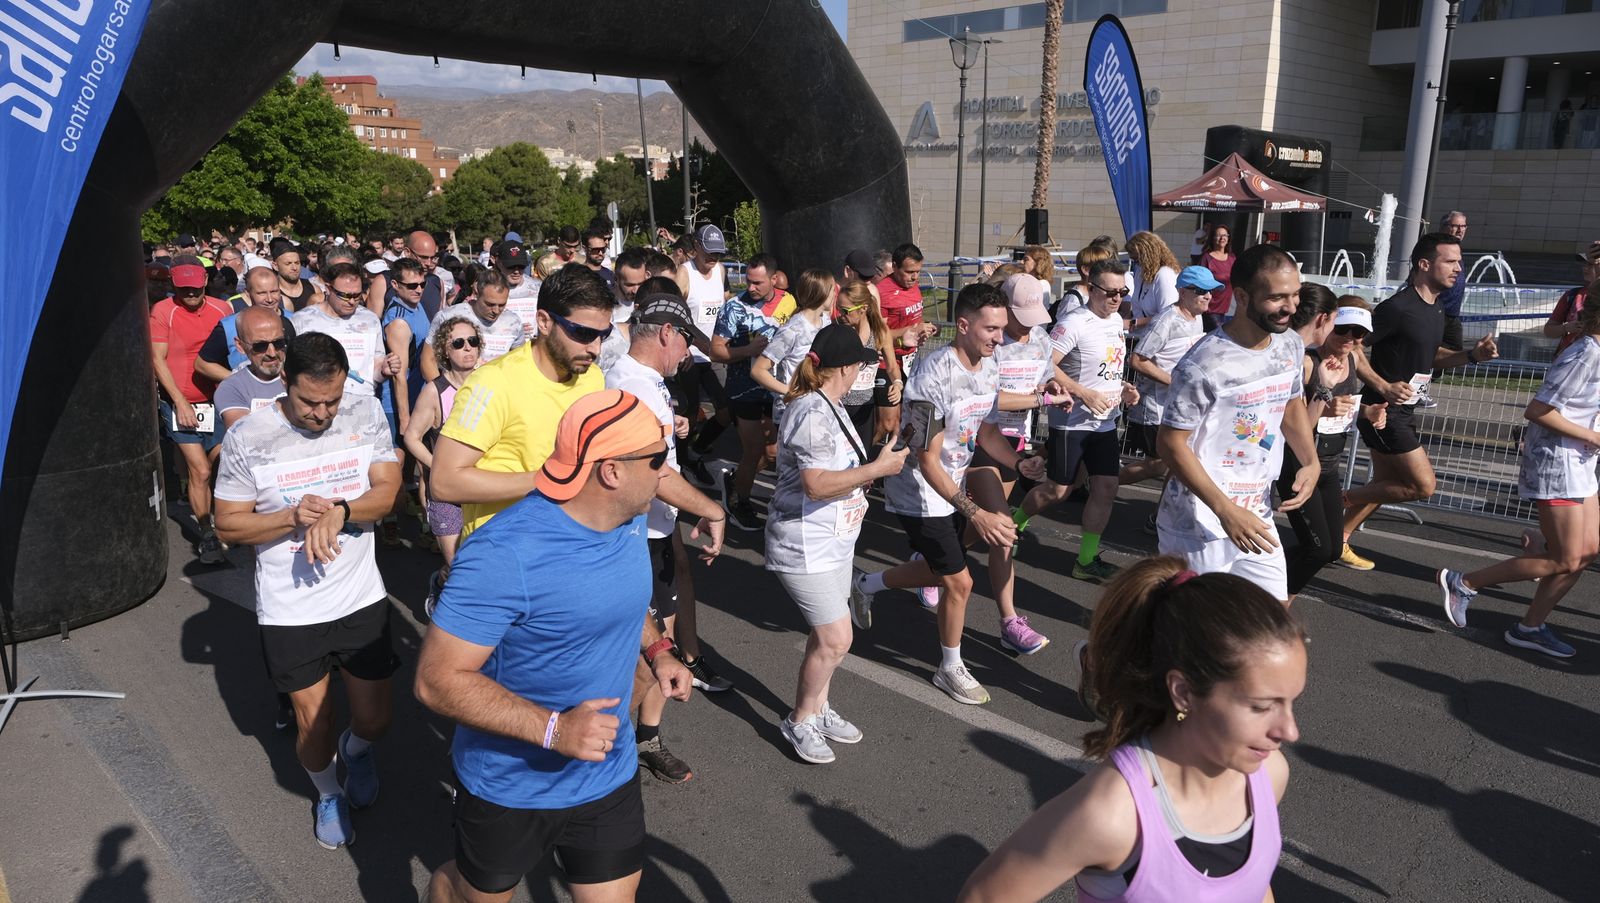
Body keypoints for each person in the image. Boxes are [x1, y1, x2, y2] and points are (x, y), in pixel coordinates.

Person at [416, 390, 694, 903]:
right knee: (468, 894)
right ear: (611, 471)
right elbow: (437, 681)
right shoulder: (504, 553)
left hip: (606, 771)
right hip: (511, 784)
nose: (666, 471)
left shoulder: (629, 518)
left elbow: (623, 597)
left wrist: (658, 650)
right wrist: (555, 729)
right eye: (657, 459)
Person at [958, 557, 1305, 903]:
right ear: (1183, 692)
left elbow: (1255, 886)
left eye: (1291, 701)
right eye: (1261, 706)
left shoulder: (1268, 775)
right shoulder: (1112, 814)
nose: (1289, 732)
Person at [213, 333, 403, 851]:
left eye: (332, 401)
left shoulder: (364, 411)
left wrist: (341, 510)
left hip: (360, 597)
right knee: (315, 727)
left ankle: (357, 752)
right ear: (285, 382)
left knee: (375, 720)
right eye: (309, 402)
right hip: (291, 609)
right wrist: (291, 517)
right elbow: (227, 524)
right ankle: (327, 792)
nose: (322, 414)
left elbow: (388, 492)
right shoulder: (248, 436)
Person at [854, 283, 1048, 706]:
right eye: (991, 329)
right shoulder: (932, 378)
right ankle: (950, 667)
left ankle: (867, 583)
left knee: (943, 569)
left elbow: (988, 433)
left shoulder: (989, 367)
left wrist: (1018, 464)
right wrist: (976, 512)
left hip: (953, 482)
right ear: (962, 325)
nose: (1000, 338)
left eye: (1002, 328)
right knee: (959, 581)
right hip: (919, 492)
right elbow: (927, 461)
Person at [768, 324, 910, 763]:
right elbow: (815, 485)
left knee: (826, 635)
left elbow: (836, 470)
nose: (864, 374)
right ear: (846, 368)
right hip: (804, 543)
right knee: (836, 638)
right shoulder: (812, 411)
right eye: (862, 367)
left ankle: (818, 708)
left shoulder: (831, 404)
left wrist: (873, 465)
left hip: (833, 540)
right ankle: (799, 720)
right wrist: (876, 471)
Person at [604, 293, 731, 781]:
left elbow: (658, 455)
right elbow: (652, 473)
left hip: (657, 528)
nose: (688, 354)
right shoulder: (629, 385)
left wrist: (671, 425)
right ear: (665, 334)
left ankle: (647, 738)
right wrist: (709, 508)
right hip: (633, 534)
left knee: (666, 644)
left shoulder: (647, 381)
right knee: (643, 658)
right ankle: (597, 745)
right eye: (686, 342)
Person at [1437, 289, 1600, 658]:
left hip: (1582, 462)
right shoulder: (1585, 353)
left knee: (1587, 552)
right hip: (1557, 462)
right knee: (1567, 558)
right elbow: (1538, 411)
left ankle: (1530, 627)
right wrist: (1592, 436)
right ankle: (1464, 583)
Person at [1155, 244, 1319, 604]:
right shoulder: (1202, 364)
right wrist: (1225, 510)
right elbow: (1169, 443)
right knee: (1195, 626)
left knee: (1270, 620)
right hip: (1198, 524)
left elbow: (1291, 403)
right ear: (1242, 297)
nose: (1291, 307)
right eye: (1276, 298)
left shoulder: (1290, 345)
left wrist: (1310, 460)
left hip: (1256, 512)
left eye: (1294, 295)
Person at [1340, 233, 1499, 570]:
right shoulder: (1397, 308)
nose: (1459, 268)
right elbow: (1351, 346)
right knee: (1422, 486)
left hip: (1406, 409)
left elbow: (1432, 356)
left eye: (1459, 262)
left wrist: (1471, 355)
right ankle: (1340, 499)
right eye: (1450, 261)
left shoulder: (1436, 307)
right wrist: (1383, 385)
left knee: (1387, 485)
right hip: (1383, 411)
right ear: (1424, 264)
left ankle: (1338, 538)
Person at [1015, 260, 1140, 584]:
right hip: (1072, 421)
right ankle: (1015, 524)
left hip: (1105, 422)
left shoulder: (1116, 320)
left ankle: (1085, 560)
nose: (1117, 298)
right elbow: (1047, 365)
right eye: (1110, 292)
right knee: (1058, 491)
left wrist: (1123, 388)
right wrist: (1083, 393)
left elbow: (1106, 368)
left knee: (1107, 486)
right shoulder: (1074, 322)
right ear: (1092, 289)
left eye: (1123, 291)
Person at [963, 274, 1066, 654]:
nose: (1026, 325)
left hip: (1015, 441)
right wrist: (1042, 401)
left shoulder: (1039, 337)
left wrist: (1052, 387)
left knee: (985, 527)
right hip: (980, 439)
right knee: (1004, 527)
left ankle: (934, 562)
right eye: (1020, 317)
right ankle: (1009, 622)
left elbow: (1046, 376)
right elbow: (992, 400)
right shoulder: (988, 343)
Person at [1278, 291, 1379, 602]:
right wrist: (1324, 402)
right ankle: (1275, 604)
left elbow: (1346, 407)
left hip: (1330, 466)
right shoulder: (1309, 363)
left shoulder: (1353, 359)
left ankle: (1261, 577)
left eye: (1359, 333)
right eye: (1343, 329)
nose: (1350, 338)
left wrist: (1367, 412)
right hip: (1299, 465)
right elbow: (1296, 426)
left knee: (1332, 550)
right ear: (1330, 324)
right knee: (1318, 549)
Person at [152, 255, 232, 564]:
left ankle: (224, 521)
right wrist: (180, 401)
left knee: (222, 466)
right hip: (180, 402)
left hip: (218, 401)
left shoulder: (222, 308)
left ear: (206, 282)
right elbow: (158, 359)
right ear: (173, 285)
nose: (190, 293)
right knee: (200, 470)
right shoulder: (163, 311)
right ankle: (207, 532)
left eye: (196, 287)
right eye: (183, 287)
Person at [401, 317, 482, 612]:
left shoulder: (490, 384)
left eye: (473, 341)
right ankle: (441, 586)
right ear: (444, 351)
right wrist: (438, 466)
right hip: (446, 494)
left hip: (483, 489)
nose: (467, 348)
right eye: (458, 343)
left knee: (480, 566)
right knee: (460, 567)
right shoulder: (434, 391)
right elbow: (412, 437)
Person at [710, 253, 794, 531]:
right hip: (743, 389)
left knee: (771, 453)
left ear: (774, 279)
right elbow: (716, 351)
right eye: (748, 281)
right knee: (754, 449)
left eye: (758, 282)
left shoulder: (788, 302)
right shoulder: (734, 308)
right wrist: (748, 350)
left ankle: (735, 480)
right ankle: (739, 501)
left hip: (774, 388)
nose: (751, 287)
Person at [1124, 265, 1214, 503]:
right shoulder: (1166, 320)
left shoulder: (1197, 317)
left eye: (1211, 291)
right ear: (1182, 292)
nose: (1208, 296)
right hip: (1155, 407)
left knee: (1177, 463)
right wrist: (1174, 382)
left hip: (1179, 407)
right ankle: (1102, 482)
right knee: (1159, 465)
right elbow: (1137, 360)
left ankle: (1160, 514)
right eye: (1201, 291)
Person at [678, 224, 734, 487]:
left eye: (719, 253)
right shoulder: (684, 273)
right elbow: (674, 314)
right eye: (709, 252)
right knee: (689, 413)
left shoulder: (720, 271)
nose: (714, 257)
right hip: (688, 355)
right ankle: (683, 460)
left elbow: (724, 305)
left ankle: (698, 447)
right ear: (696, 247)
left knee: (726, 411)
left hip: (715, 355)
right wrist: (683, 346)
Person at [753, 268, 836, 426]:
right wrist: (791, 391)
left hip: (816, 407)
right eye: (832, 290)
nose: (834, 294)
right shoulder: (792, 330)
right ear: (823, 292)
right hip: (791, 412)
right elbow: (758, 370)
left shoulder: (825, 321)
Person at [875, 243, 939, 441]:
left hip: (910, 362)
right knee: (887, 424)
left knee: (902, 423)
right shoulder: (882, 292)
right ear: (894, 267)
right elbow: (878, 335)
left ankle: (890, 459)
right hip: (886, 363)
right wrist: (905, 336)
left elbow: (915, 319)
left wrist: (925, 329)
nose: (914, 277)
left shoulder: (914, 286)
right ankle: (858, 455)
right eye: (909, 272)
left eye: (918, 272)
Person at [194, 267, 296, 383]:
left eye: (274, 292)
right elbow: (202, 364)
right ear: (247, 293)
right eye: (261, 293)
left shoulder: (294, 320)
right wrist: (241, 382)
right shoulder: (230, 325)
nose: (269, 299)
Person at [835, 281, 901, 449]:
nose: (840, 315)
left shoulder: (879, 332)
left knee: (862, 455)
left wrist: (897, 383)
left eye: (845, 311)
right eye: (838, 308)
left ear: (863, 309)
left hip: (864, 407)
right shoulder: (837, 330)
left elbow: (892, 367)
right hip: (838, 405)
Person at [425, 268, 527, 374]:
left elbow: (519, 362)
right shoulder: (447, 316)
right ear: (477, 292)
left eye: (502, 305)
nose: (496, 311)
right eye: (490, 304)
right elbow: (428, 360)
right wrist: (443, 385)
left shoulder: (513, 322)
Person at [213, 307, 288, 430]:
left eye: (278, 343)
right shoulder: (232, 388)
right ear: (240, 345)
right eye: (260, 346)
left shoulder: (303, 375)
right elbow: (244, 435)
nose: (272, 353)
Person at [1543, 246, 1598, 354]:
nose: (1585, 268)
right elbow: (1548, 330)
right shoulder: (1572, 295)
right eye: (1584, 264)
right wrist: (1566, 328)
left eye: (1591, 265)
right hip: (1570, 357)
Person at [1125, 231, 1181, 339]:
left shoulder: (1165, 275)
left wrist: (1134, 322)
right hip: (1140, 337)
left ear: (1147, 256)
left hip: (1158, 340)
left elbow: (1168, 316)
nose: (1136, 264)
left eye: (1137, 260)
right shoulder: (1141, 272)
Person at [1199, 223, 1236, 332]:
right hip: (1210, 309)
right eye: (1219, 235)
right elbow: (1200, 283)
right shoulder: (1206, 258)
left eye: (1225, 235)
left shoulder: (1232, 258)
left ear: (1228, 238)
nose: (1222, 238)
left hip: (1226, 309)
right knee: (1219, 335)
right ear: (1212, 238)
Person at [272, 238, 319, 313]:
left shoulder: (314, 289)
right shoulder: (271, 294)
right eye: (288, 263)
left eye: (297, 263)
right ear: (275, 266)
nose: (294, 268)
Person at [583, 227, 617, 292]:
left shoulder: (610, 275)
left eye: (603, 249)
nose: (600, 253)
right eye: (596, 250)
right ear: (585, 249)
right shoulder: (576, 274)